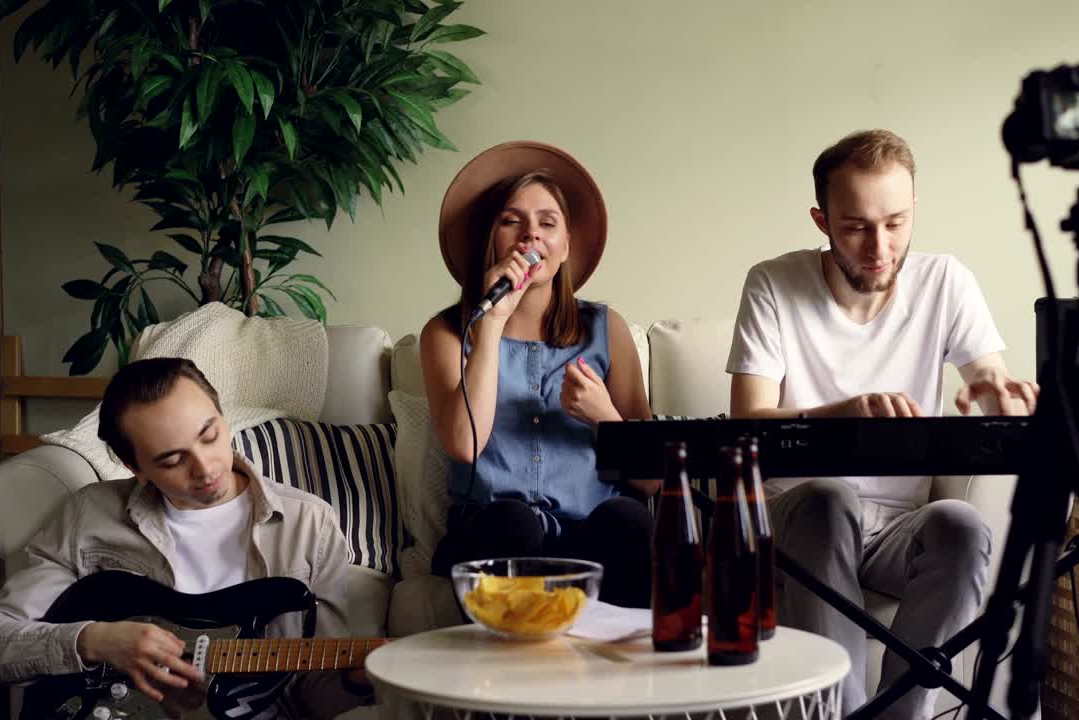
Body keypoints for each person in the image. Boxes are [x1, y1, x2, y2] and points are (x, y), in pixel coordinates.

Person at [726, 129, 1039, 719]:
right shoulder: (772, 282)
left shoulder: (945, 281)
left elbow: (990, 380)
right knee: (828, 498)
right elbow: (748, 423)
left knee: (962, 526)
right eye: (856, 227)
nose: (880, 247)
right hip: (796, 518)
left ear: (914, 207)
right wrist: (844, 415)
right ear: (821, 220)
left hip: (897, 527)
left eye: (896, 223)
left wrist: (1004, 396)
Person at [0, 358, 372, 719]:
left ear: (223, 417)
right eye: (173, 459)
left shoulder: (310, 524)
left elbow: (310, 701)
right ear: (136, 468)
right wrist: (95, 640)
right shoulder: (89, 514)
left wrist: (355, 680)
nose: (205, 468)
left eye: (209, 435)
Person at [421, 141, 655, 608]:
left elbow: (654, 482)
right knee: (513, 521)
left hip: (587, 538)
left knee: (628, 520)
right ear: (492, 239)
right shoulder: (446, 333)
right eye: (512, 221)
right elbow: (464, 444)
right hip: (493, 533)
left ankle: (621, 653)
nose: (531, 234)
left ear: (566, 245)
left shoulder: (606, 329)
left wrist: (604, 418)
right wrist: (491, 323)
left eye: (548, 223)